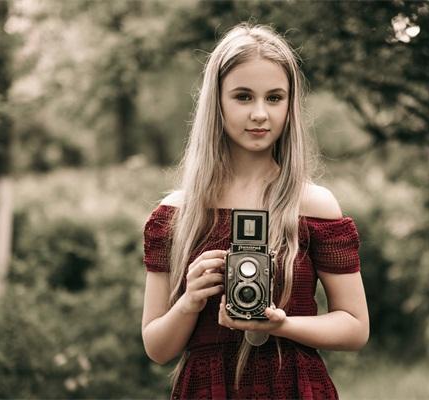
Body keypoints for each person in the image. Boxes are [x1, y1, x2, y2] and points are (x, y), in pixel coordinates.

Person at [141, 23, 369, 399]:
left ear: (290, 105)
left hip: (293, 386)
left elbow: (355, 326)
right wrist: (190, 301)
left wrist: (281, 325)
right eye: (244, 97)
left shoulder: (313, 206)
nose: (260, 114)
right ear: (217, 102)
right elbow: (157, 347)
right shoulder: (176, 214)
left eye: (275, 98)